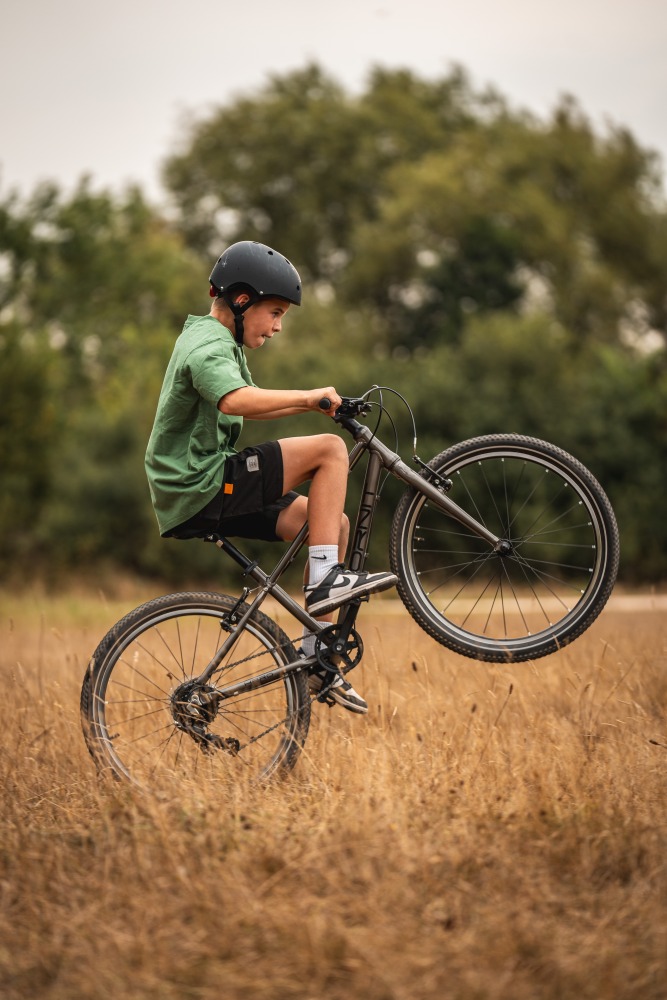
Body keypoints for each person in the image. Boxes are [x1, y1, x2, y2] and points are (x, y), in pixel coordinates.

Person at [145, 240, 397, 714]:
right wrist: (308, 398)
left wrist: (321, 404)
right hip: (200, 483)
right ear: (242, 301)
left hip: (200, 486)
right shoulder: (207, 344)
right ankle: (326, 580)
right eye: (276, 312)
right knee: (329, 451)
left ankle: (315, 658)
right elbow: (236, 401)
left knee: (330, 524)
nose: (278, 326)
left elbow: (250, 397)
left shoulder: (218, 342)